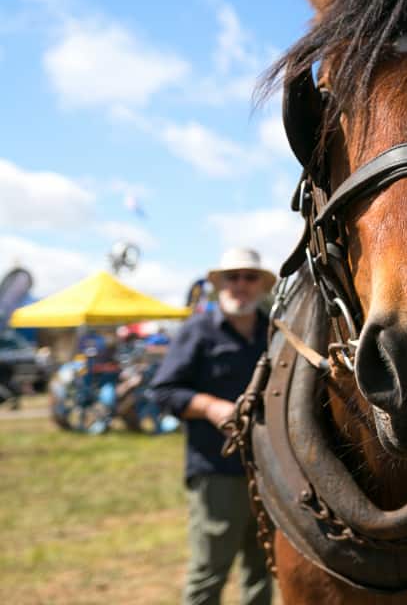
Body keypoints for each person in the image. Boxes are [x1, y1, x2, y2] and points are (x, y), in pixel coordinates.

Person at [151, 248, 274, 605]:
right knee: (209, 571)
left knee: (264, 568)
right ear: (219, 284)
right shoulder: (198, 331)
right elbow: (163, 391)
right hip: (218, 472)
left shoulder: (275, 332)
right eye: (232, 277)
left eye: (249, 277)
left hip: (273, 470)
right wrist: (208, 406)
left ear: (260, 285)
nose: (240, 285)